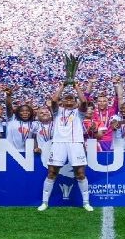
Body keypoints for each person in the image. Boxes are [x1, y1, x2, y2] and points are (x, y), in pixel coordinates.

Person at [38, 81, 93, 212]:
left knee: (80, 173)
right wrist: (62, 85)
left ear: (75, 102)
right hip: (58, 143)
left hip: (75, 143)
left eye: (72, 98)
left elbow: (84, 102)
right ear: (62, 101)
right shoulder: (57, 111)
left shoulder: (78, 112)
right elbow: (54, 100)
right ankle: (44, 202)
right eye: (66, 98)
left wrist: (76, 86)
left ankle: (86, 202)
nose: (69, 100)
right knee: (52, 172)